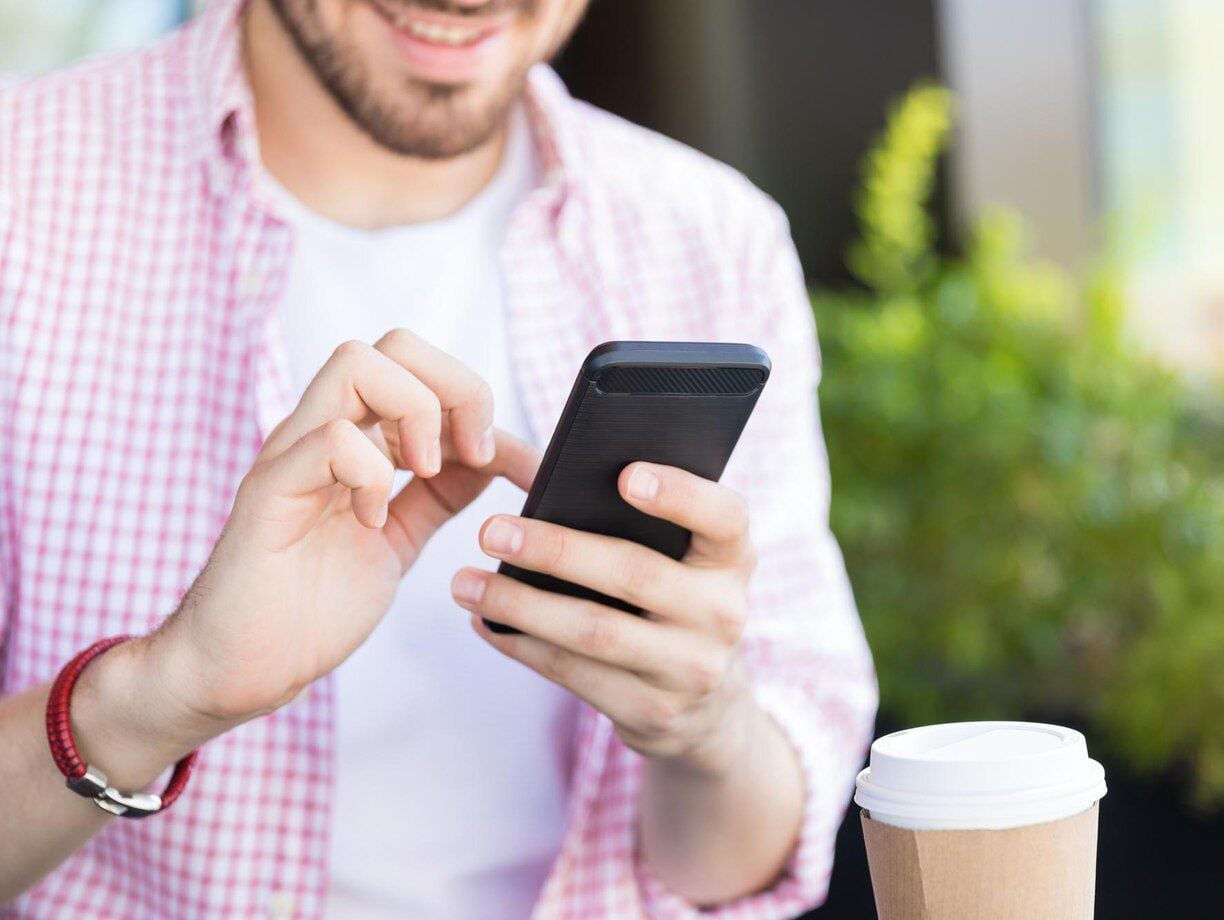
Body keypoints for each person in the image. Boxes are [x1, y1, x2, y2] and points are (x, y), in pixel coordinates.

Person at [0, 0, 877, 916]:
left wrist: (705, 729)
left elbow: (745, 865)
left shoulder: (710, 235)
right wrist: (158, 696)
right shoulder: (22, 191)